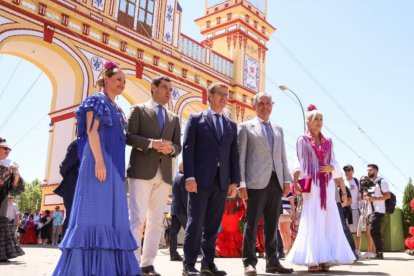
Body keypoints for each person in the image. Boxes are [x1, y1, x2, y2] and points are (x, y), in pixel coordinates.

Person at [53, 61, 141, 275]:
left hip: (116, 168)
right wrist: (100, 162)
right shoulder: (95, 100)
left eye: (124, 81)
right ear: (106, 79)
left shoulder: (118, 109)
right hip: (98, 163)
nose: (122, 83)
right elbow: (92, 132)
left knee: (113, 216)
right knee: (96, 214)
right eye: (118, 79)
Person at [287, 105, 355, 272]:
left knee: (327, 220)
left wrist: (333, 170)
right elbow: (299, 161)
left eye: (321, 119)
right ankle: (313, 259)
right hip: (312, 184)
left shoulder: (329, 142)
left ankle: (326, 258)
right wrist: (296, 181)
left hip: (327, 185)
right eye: (315, 119)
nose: (319, 122)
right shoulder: (302, 140)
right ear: (308, 122)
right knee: (312, 218)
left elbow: (334, 161)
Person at [182, 83, 240, 276]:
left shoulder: (231, 125)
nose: (224, 98)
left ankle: (208, 263)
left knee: (214, 224)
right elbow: (188, 149)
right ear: (210, 95)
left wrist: (234, 181)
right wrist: (189, 176)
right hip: (199, 180)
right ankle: (189, 264)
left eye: (227, 95)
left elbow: (234, 155)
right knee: (196, 222)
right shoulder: (196, 119)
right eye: (220, 94)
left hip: (222, 182)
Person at [127, 75, 181, 276]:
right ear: (153, 88)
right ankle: (132, 263)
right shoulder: (138, 110)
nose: (168, 92)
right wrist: (151, 143)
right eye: (165, 88)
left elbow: (178, 146)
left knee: (156, 221)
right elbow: (129, 136)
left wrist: (171, 149)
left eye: (171, 89)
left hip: (164, 175)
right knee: (137, 219)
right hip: (141, 171)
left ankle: (147, 264)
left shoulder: (174, 118)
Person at [237, 92, 293, 276]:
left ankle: (272, 262)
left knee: (272, 224)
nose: (265, 106)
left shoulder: (279, 129)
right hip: (254, 182)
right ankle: (249, 262)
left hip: (275, 182)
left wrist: (286, 180)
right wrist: (241, 184)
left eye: (268, 103)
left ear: (272, 105)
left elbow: (283, 157)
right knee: (251, 223)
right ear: (254, 106)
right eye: (261, 103)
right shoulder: (246, 127)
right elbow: (240, 158)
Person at [0, 137, 24, 262]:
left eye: (9, 149)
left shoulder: (8, 165)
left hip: (2, 198)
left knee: (1, 223)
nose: (8, 150)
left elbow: (14, 187)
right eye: (5, 148)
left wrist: (16, 174)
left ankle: (2, 255)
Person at [54, 139, 79, 236]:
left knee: (71, 215)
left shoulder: (79, 142)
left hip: (73, 184)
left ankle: (67, 246)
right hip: (82, 185)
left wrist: (68, 177)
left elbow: (64, 165)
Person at [365, 164, 391, 260]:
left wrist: (374, 198)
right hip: (370, 210)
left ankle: (379, 252)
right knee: (374, 231)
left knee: (373, 230)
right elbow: (368, 197)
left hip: (379, 210)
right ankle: (379, 250)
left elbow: (387, 195)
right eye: (368, 170)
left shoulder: (382, 182)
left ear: (375, 171)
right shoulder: (369, 183)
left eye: (370, 170)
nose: (368, 172)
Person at [169, 162, 188, 261]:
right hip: (182, 210)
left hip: (175, 209)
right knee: (189, 231)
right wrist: (189, 210)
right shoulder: (183, 178)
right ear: (183, 167)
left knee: (173, 233)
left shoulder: (176, 177)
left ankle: (173, 254)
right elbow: (185, 197)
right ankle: (189, 253)